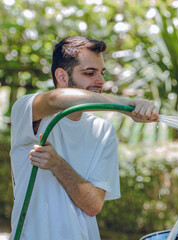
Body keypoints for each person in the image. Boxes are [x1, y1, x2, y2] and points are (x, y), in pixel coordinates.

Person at [9, 36, 159, 239]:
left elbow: (93, 205)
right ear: (62, 77)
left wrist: (57, 165)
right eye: (89, 73)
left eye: (101, 73)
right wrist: (125, 105)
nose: (101, 81)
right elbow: (56, 99)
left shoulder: (103, 130)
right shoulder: (27, 110)